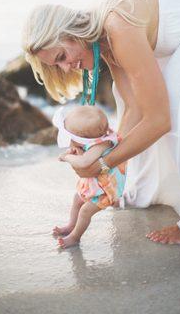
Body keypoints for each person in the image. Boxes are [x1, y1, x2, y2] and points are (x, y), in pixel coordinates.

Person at [23, 0, 180, 244]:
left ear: (72, 33)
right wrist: (108, 168)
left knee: (177, 94)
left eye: (62, 56)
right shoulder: (105, 41)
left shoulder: (118, 28)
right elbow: (134, 108)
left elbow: (159, 119)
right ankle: (143, 186)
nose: (66, 68)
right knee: (148, 94)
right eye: (57, 65)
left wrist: (102, 165)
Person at [51, 105, 127, 248]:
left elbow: (84, 161)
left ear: (83, 138)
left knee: (85, 211)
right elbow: (83, 155)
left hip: (106, 190)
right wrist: (76, 150)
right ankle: (71, 225)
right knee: (77, 199)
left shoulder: (102, 144)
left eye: (71, 136)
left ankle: (75, 237)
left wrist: (67, 157)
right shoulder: (92, 140)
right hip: (95, 184)